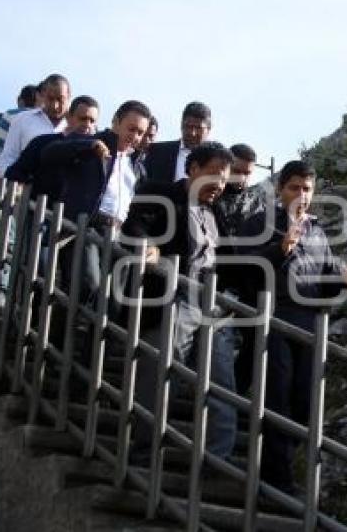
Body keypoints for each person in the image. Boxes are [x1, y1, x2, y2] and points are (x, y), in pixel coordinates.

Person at [238, 160, 347, 493]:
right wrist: (281, 248)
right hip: (273, 319)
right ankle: (275, 477)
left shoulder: (317, 231)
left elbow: (322, 279)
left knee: (305, 401)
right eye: (294, 187)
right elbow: (245, 270)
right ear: (281, 189)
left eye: (307, 189)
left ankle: (285, 467)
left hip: (309, 323)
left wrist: (345, 281)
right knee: (277, 397)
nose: (301, 195)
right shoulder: (259, 223)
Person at [123, 141, 239, 461]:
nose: (218, 185)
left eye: (223, 179)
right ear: (193, 169)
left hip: (213, 304)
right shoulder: (160, 193)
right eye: (213, 175)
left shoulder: (218, 210)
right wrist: (149, 245)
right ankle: (144, 450)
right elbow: (135, 225)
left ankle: (219, 458)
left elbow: (230, 258)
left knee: (221, 380)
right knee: (161, 373)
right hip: (173, 297)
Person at [41, 100, 151, 310]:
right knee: (87, 285)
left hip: (118, 233)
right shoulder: (92, 143)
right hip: (87, 226)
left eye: (140, 132)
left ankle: (90, 342)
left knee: (113, 302)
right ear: (116, 123)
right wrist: (88, 146)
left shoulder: (137, 167)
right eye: (131, 129)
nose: (135, 137)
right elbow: (50, 153)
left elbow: (137, 211)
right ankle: (56, 336)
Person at [4, 95, 100, 198]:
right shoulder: (42, 142)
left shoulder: (96, 156)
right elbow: (15, 173)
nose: (87, 124)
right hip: (36, 209)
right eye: (83, 119)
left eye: (92, 121)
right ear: (69, 117)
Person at [0, 74, 71, 179]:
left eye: (60, 99)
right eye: (50, 98)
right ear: (43, 95)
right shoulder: (23, 119)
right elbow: (7, 159)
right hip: (25, 189)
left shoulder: (77, 126)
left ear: (69, 97)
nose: (55, 105)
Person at [144, 101, 211, 183]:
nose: (192, 133)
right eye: (188, 127)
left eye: (198, 128)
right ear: (181, 125)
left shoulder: (216, 159)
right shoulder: (157, 152)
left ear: (208, 130)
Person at [214, 143, 264, 237]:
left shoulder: (257, 203)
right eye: (236, 171)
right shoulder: (209, 195)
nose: (241, 178)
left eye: (247, 173)